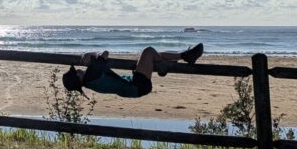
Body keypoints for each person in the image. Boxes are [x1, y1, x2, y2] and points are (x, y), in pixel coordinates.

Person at [62, 43, 204, 99]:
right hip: (137, 85)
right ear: (78, 78)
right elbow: (105, 52)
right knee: (148, 51)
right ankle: (164, 65)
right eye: (76, 72)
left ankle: (185, 56)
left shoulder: (90, 81)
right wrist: (89, 54)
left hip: (134, 88)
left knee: (153, 55)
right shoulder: (92, 73)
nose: (78, 70)